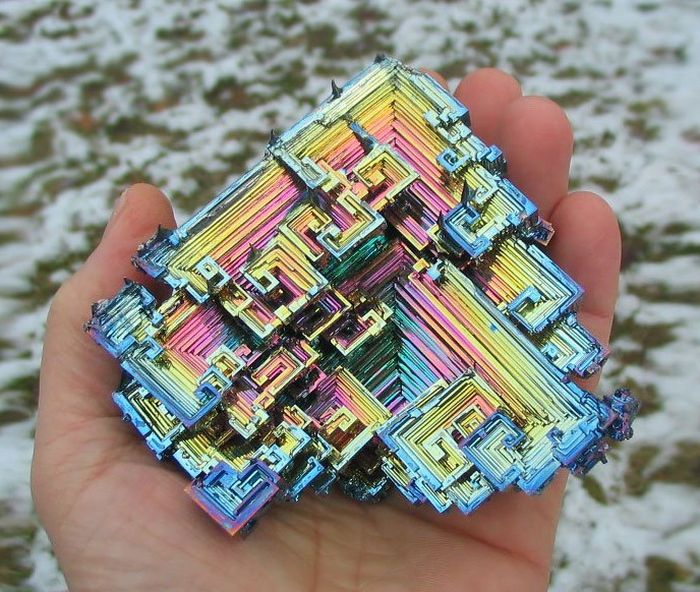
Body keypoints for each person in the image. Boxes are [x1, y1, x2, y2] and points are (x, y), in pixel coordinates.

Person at [31, 67, 622, 592]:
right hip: (301, 352)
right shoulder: (229, 344)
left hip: (398, 315)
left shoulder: (415, 244)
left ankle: (539, 413)